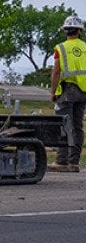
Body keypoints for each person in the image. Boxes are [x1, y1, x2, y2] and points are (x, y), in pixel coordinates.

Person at [48, 15, 86, 171]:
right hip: (84, 91)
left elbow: (56, 72)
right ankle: (74, 162)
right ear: (79, 31)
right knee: (78, 127)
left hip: (67, 91)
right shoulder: (85, 47)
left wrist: (53, 92)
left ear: (66, 31)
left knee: (64, 125)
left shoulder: (60, 48)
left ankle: (61, 161)